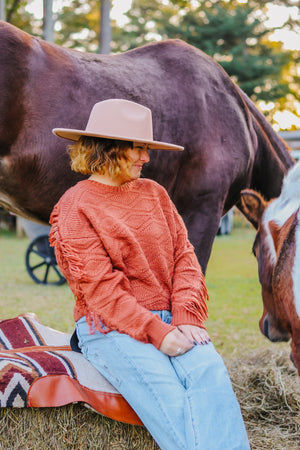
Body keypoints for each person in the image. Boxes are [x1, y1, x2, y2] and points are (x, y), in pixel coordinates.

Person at [49, 99, 250, 450]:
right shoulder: (74, 205)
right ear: (108, 148)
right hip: (111, 327)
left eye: (146, 148)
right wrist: (157, 333)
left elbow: (184, 256)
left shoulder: (154, 193)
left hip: (174, 318)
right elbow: (100, 291)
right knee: (171, 401)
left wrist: (188, 315)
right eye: (139, 148)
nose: (147, 157)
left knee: (210, 375)